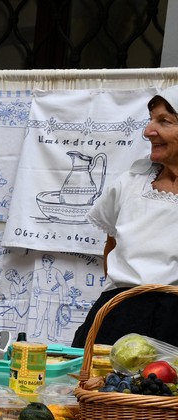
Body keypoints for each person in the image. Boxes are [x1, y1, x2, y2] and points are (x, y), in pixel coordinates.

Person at [72, 84, 178, 348]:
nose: (148, 131)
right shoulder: (131, 183)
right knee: (97, 385)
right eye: (151, 119)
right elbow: (112, 245)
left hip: (175, 319)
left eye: (164, 121)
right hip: (119, 315)